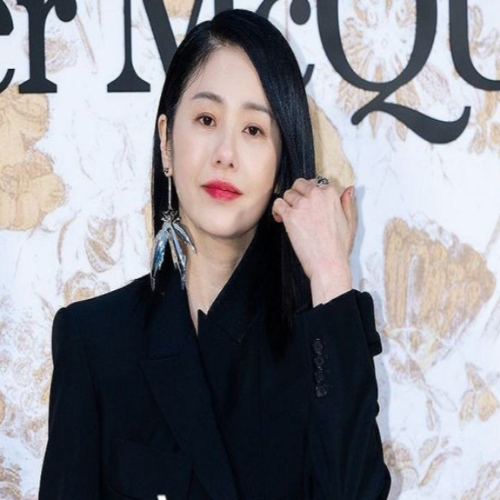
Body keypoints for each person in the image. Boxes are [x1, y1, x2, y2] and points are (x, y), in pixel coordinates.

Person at [38, 9, 391, 500]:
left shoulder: (320, 347)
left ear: (281, 165)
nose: (226, 153)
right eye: (206, 119)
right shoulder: (94, 341)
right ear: (166, 143)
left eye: (254, 130)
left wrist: (330, 272)